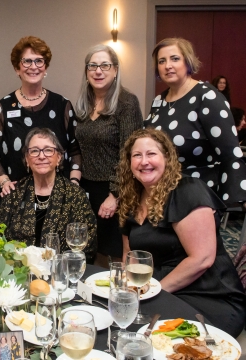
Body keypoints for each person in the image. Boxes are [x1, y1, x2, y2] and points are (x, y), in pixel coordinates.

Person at [118, 128, 246, 337]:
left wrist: (152, 292)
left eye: (151, 154)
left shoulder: (187, 190)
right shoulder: (131, 199)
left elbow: (202, 258)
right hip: (160, 291)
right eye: (137, 155)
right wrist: (128, 292)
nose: (144, 161)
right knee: (119, 321)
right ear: (129, 163)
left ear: (167, 157)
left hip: (208, 297)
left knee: (144, 337)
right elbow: (129, 255)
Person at [0, 36, 81, 218]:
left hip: (58, 201)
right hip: (14, 201)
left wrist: (74, 183)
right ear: (17, 68)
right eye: (27, 61)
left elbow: (75, 150)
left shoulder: (62, 106)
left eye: (39, 61)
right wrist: (4, 182)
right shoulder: (2, 108)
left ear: (46, 68)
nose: (33, 66)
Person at [146, 38, 246, 204]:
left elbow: (230, 153)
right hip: (161, 193)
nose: (167, 65)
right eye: (161, 61)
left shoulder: (207, 96)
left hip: (197, 196)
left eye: (175, 59)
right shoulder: (159, 101)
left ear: (188, 62)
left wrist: (230, 201)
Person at [74, 44, 143, 267]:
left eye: (105, 65)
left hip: (115, 190)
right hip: (88, 189)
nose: (98, 71)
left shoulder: (127, 102)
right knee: (91, 249)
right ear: (86, 72)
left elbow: (129, 152)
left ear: (115, 70)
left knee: (115, 253)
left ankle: (117, 298)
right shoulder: (85, 105)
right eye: (92, 66)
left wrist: (115, 194)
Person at [0, 128, 97, 263]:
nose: (41, 156)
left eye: (48, 150)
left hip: (61, 273)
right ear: (27, 159)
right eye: (35, 151)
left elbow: (87, 246)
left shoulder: (75, 195)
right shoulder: (14, 194)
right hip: (19, 272)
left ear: (59, 157)